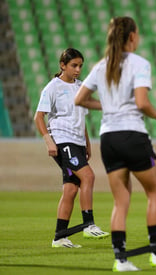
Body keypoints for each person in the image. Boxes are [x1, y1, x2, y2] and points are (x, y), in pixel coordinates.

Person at [74, 16, 156, 272]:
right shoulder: (139, 63)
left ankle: (120, 259)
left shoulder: (101, 65)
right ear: (132, 36)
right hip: (132, 134)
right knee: (154, 192)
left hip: (109, 138)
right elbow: (142, 102)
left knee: (120, 202)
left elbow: (80, 99)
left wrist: (108, 106)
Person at [33, 48, 110, 248]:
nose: (77, 69)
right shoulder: (53, 87)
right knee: (89, 176)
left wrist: (86, 142)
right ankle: (88, 224)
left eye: (80, 66)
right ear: (63, 65)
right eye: (74, 65)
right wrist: (48, 140)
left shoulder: (80, 87)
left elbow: (80, 118)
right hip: (62, 140)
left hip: (77, 142)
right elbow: (38, 117)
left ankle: (60, 237)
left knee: (71, 189)